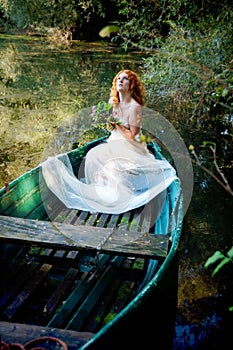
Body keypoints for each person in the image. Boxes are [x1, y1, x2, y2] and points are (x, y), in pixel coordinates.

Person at [41, 69, 178, 214]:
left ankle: (119, 195)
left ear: (131, 85)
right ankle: (104, 192)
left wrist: (117, 122)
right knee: (93, 154)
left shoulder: (134, 107)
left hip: (132, 146)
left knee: (113, 163)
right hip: (114, 143)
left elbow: (133, 135)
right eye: (118, 78)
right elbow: (110, 129)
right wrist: (107, 122)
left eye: (125, 79)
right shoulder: (112, 103)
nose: (120, 81)